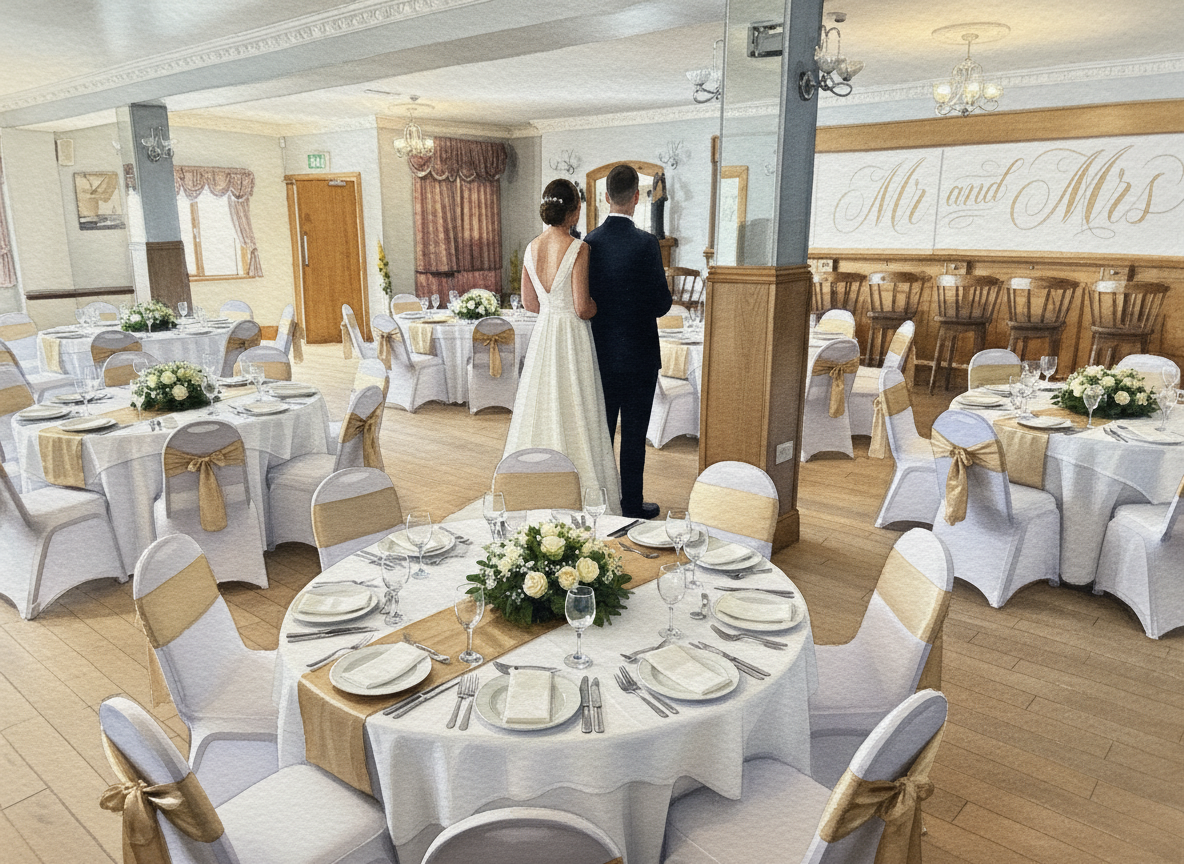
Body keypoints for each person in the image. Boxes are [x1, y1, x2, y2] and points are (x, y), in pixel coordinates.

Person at [502, 178, 622, 514]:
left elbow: (529, 303)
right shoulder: (579, 248)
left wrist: (553, 305)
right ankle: (581, 496)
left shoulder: (530, 247)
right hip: (572, 337)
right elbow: (583, 307)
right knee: (576, 409)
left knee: (540, 407)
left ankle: (534, 490)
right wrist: (603, 306)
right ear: (575, 210)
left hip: (545, 335)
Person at [585, 164, 673, 519]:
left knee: (602, 432)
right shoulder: (646, 243)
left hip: (601, 354)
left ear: (606, 196)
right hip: (639, 355)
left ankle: (603, 502)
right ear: (637, 197)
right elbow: (662, 304)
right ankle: (632, 505)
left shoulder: (589, 243)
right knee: (634, 435)